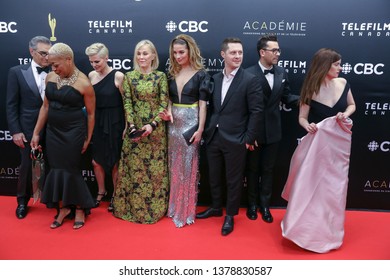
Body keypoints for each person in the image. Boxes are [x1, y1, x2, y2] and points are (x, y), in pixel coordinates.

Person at [281, 48, 356, 253]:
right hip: (317, 148)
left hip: (339, 146)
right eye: (336, 65)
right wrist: (308, 126)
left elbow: (352, 105)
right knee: (312, 188)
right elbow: (302, 118)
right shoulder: (310, 89)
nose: (340, 68)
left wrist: (344, 114)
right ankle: (307, 232)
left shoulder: (343, 83)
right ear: (325, 66)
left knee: (335, 189)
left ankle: (330, 232)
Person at [196, 37, 263, 236]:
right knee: (214, 176)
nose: (237, 56)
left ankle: (230, 215)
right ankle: (216, 208)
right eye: (233, 52)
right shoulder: (214, 79)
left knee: (233, 180)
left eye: (240, 53)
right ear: (223, 55)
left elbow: (257, 112)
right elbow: (210, 107)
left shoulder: (251, 80)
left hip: (237, 139)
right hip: (214, 136)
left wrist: (248, 139)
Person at [31, 42, 96, 229]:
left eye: (56, 64)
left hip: (74, 132)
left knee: (71, 169)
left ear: (68, 60)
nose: (53, 68)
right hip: (53, 132)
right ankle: (64, 207)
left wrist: (88, 137)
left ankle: (80, 208)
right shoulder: (50, 77)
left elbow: (91, 114)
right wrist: (36, 133)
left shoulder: (84, 83)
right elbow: (45, 107)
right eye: (51, 65)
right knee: (57, 168)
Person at [112, 39, 169, 224]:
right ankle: (131, 210)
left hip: (155, 133)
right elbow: (127, 103)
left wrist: (152, 125)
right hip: (135, 132)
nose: (142, 57)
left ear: (153, 56)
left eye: (145, 53)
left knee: (153, 173)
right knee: (134, 172)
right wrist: (132, 126)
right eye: (139, 53)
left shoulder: (161, 77)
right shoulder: (129, 76)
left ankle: (154, 210)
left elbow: (163, 103)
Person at [159, 34, 211, 228]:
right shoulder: (172, 73)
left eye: (181, 52)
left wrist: (200, 129)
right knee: (174, 166)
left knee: (188, 169)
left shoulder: (201, 74)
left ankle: (185, 211)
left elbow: (203, 105)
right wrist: (169, 113)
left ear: (190, 51)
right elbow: (170, 100)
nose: (178, 56)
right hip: (173, 126)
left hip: (191, 125)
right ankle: (173, 206)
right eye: (175, 53)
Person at [245, 34, 299, 223]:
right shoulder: (248, 73)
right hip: (255, 132)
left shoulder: (282, 73)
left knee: (268, 170)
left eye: (278, 50)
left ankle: (265, 206)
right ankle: (251, 205)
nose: (278, 53)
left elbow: (286, 97)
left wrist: (306, 99)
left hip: (274, 131)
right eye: (274, 50)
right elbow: (244, 108)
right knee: (252, 170)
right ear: (262, 52)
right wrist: (250, 133)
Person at [6, 36, 52, 219]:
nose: (47, 58)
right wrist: (15, 131)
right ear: (31, 52)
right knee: (26, 166)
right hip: (26, 128)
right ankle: (22, 201)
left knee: (53, 163)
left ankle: (52, 199)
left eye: (50, 53)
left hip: (54, 127)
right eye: (43, 53)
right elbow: (11, 104)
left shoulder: (56, 72)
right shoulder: (16, 72)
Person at [85, 43, 125, 211]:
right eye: (92, 62)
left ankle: (116, 195)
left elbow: (126, 104)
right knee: (96, 161)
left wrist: (127, 126)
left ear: (107, 58)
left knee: (115, 161)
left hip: (115, 122)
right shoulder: (91, 76)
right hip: (97, 120)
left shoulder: (118, 76)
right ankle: (101, 192)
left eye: (97, 61)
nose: (94, 65)